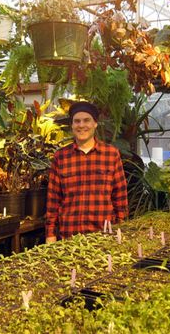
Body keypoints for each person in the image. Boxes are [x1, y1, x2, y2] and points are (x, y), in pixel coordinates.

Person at [45, 101, 128, 243]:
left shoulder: (111, 154)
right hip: (69, 236)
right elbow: (53, 199)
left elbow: (120, 196)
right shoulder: (61, 156)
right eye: (77, 121)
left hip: (104, 236)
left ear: (95, 123)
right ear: (72, 125)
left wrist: (121, 228)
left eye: (86, 120)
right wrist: (50, 234)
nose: (81, 125)